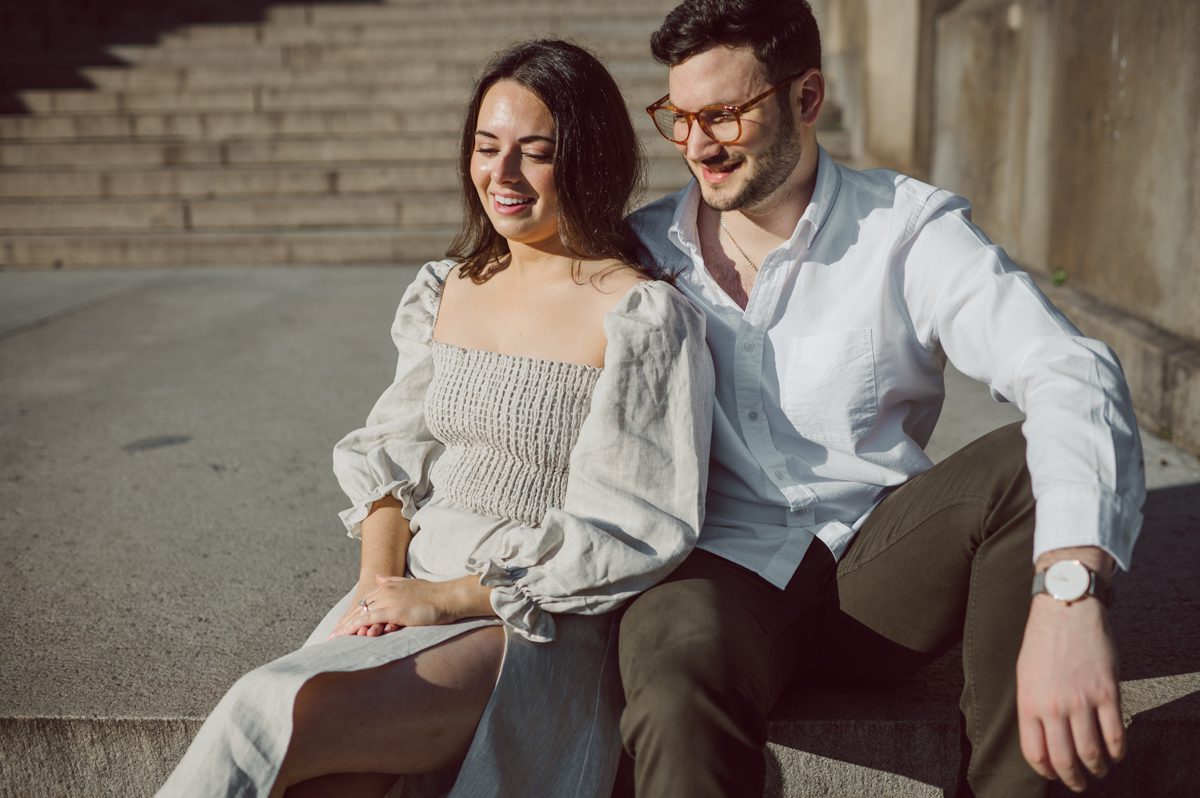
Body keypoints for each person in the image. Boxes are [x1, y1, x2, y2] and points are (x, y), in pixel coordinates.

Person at [157, 39, 713, 798]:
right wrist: (380, 585)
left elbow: (637, 529)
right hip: (409, 582)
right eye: (487, 147)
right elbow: (389, 455)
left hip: (536, 616)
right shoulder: (446, 287)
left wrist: (446, 599)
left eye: (535, 153)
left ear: (589, 159)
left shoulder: (643, 316)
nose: (502, 175)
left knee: (263, 713)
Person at [617, 2, 1145, 796]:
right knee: (672, 667)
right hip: (713, 576)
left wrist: (1069, 589)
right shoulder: (644, 249)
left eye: (723, 115)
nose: (696, 146)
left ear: (807, 96)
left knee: (1029, 463)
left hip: (879, 571)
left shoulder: (903, 227)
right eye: (678, 117)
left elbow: (1068, 369)